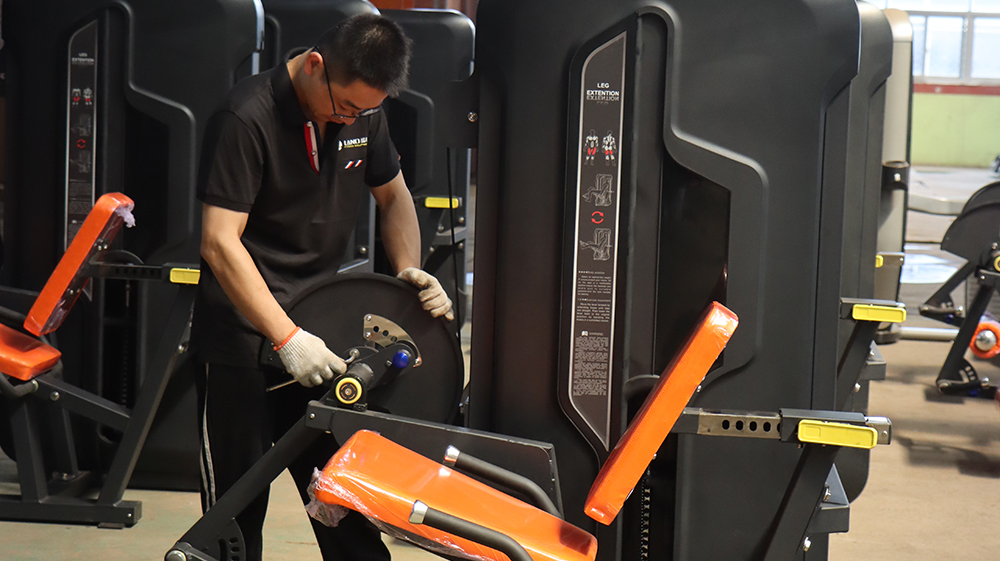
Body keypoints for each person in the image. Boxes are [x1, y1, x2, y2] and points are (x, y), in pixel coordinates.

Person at [190, 14, 452, 561]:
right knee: (235, 515)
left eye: (363, 111)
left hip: (323, 331)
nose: (350, 118)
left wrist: (407, 270)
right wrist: (286, 337)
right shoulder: (246, 117)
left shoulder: (364, 115)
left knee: (342, 499)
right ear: (315, 65)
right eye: (345, 106)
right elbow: (218, 241)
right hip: (242, 339)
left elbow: (394, 196)